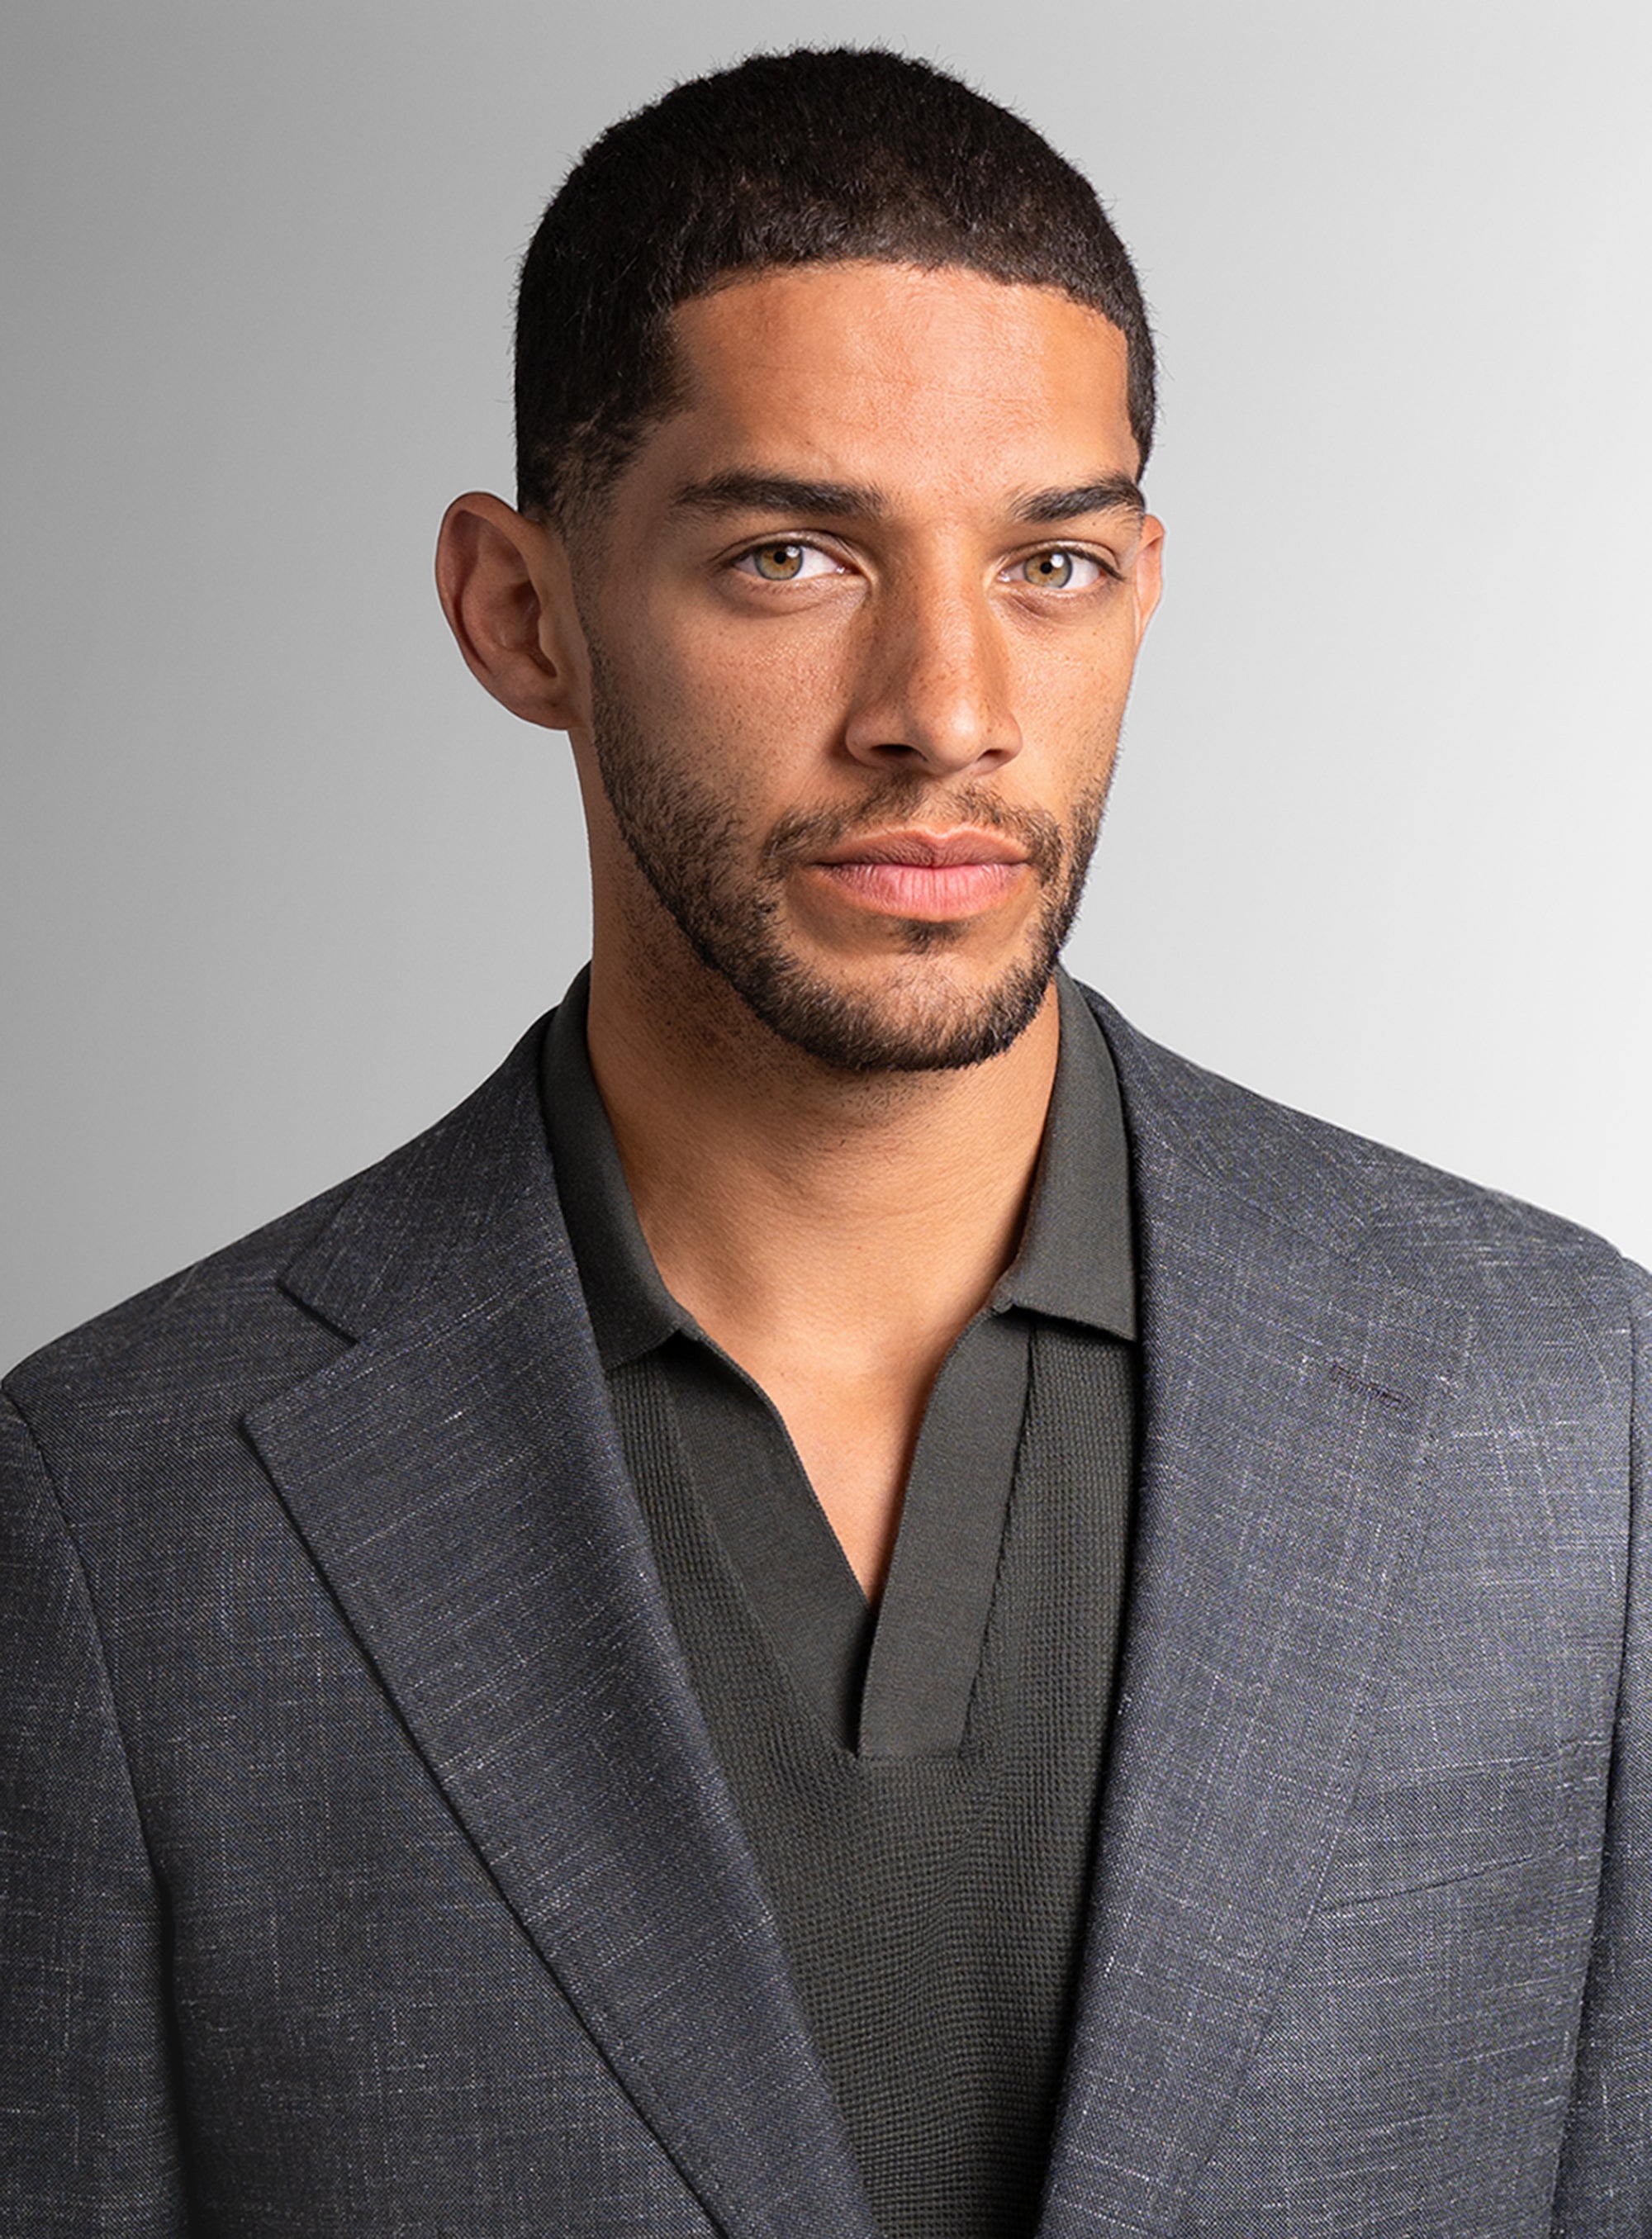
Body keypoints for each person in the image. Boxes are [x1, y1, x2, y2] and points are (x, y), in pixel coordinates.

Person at [2, 44, 1646, 2239]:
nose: (945, 705)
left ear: (1146, 591)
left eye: (1050, 560)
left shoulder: (1564, 1411)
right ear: (521, 613)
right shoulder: (119, 1521)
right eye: (793, 553)